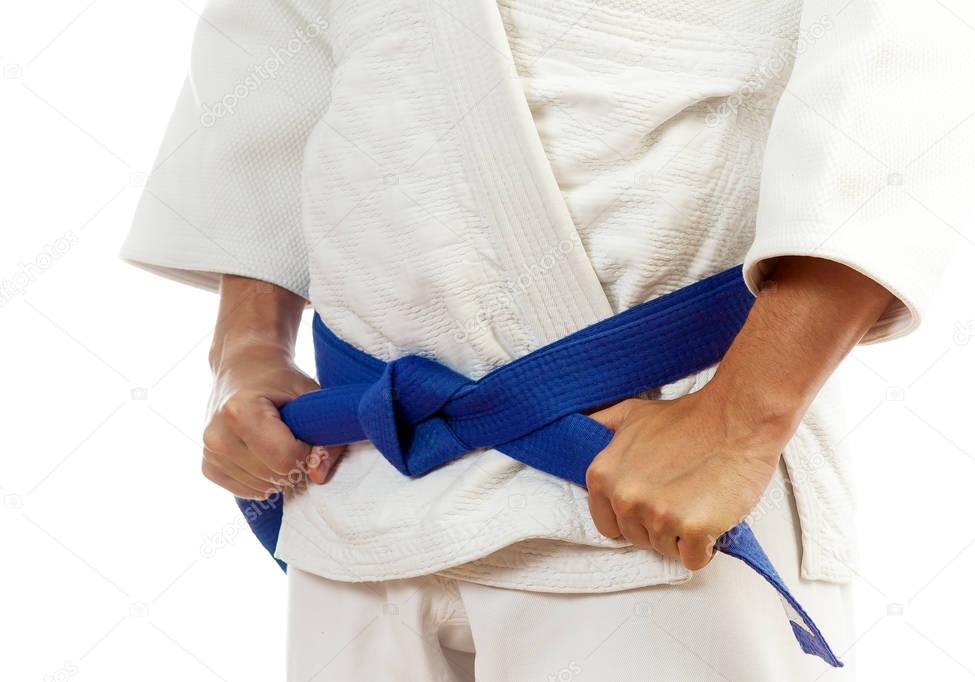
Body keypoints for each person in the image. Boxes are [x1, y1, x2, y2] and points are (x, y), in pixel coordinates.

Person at [121, 0, 966, 679]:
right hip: (362, 485)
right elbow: (276, 55)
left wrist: (740, 420)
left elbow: (904, 64)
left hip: (651, 495)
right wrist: (247, 352)